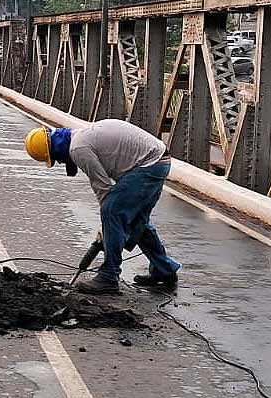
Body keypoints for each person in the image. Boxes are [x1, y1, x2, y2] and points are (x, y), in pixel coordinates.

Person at [24, 120, 180, 295]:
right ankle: (164, 270)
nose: (59, 162)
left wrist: (107, 229)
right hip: (157, 160)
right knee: (136, 221)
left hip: (149, 164)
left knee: (112, 213)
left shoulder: (78, 149)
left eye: (55, 159)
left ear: (56, 150)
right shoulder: (78, 137)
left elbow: (103, 188)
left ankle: (108, 276)